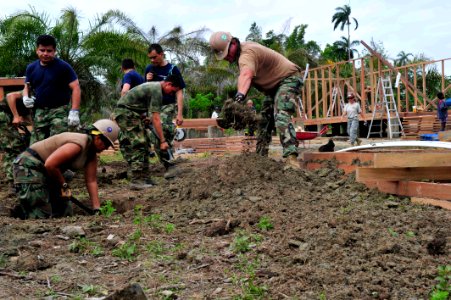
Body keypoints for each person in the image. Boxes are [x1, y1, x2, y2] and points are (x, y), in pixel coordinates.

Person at [209, 31, 303, 167]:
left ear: (234, 43)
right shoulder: (243, 53)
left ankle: (292, 159)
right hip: (274, 87)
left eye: (226, 53)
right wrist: (238, 98)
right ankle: (260, 158)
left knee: (281, 115)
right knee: (264, 121)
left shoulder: (246, 54)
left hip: (289, 79)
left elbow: (246, 74)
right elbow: (243, 77)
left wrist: (240, 97)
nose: (226, 58)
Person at [12, 119, 119, 219]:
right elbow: (50, 164)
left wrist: (96, 208)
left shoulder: (91, 154)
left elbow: (91, 181)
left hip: (48, 172)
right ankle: (23, 209)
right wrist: (64, 185)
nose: (106, 148)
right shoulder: (77, 144)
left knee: (65, 212)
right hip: (28, 167)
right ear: (97, 137)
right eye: (107, 144)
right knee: (41, 216)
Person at [112, 74, 182, 188]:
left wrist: (143, 115)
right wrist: (163, 141)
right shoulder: (157, 90)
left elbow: (138, 103)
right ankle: (136, 180)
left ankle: (144, 177)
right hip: (126, 113)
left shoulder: (155, 87)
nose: (171, 94)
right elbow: (156, 119)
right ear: (169, 84)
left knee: (145, 144)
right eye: (172, 91)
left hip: (133, 113)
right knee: (139, 144)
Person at [22, 34, 81, 144]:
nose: (45, 54)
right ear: (37, 50)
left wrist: (74, 111)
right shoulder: (31, 68)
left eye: (49, 51)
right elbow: (27, 86)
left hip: (58, 111)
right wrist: (25, 97)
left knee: (57, 143)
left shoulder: (63, 67)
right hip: (40, 111)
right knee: (35, 145)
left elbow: (76, 87)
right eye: (42, 50)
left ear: (54, 51)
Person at [144, 44, 186, 177]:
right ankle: (168, 163)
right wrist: (147, 80)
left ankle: (168, 162)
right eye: (150, 58)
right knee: (156, 134)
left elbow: (179, 92)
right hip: (153, 106)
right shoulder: (149, 69)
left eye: (154, 57)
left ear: (162, 54)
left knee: (164, 131)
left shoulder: (172, 69)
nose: (152, 60)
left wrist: (179, 113)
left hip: (168, 105)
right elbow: (145, 90)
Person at [0, 91, 30, 184]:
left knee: (22, 143)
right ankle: (12, 181)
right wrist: (16, 116)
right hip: (3, 114)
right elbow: (10, 96)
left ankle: (17, 177)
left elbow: (28, 118)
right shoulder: (30, 92)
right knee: (12, 146)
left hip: (9, 115)